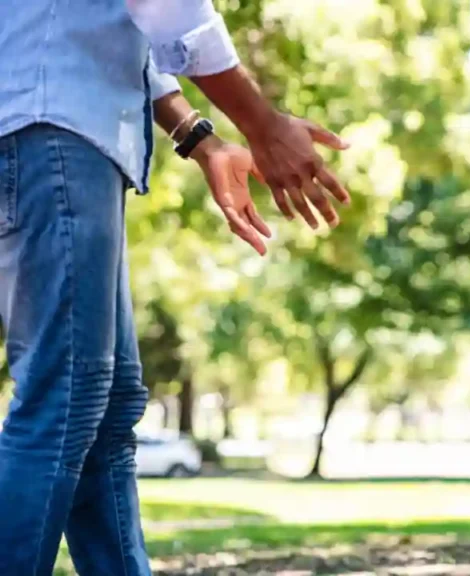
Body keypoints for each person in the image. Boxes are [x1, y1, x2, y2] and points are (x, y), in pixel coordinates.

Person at [0, 1, 350, 574]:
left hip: (58, 137)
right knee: (64, 397)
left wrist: (201, 140)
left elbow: (120, 27)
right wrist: (264, 126)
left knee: (107, 408)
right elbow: (167, 8)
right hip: (52, 135)